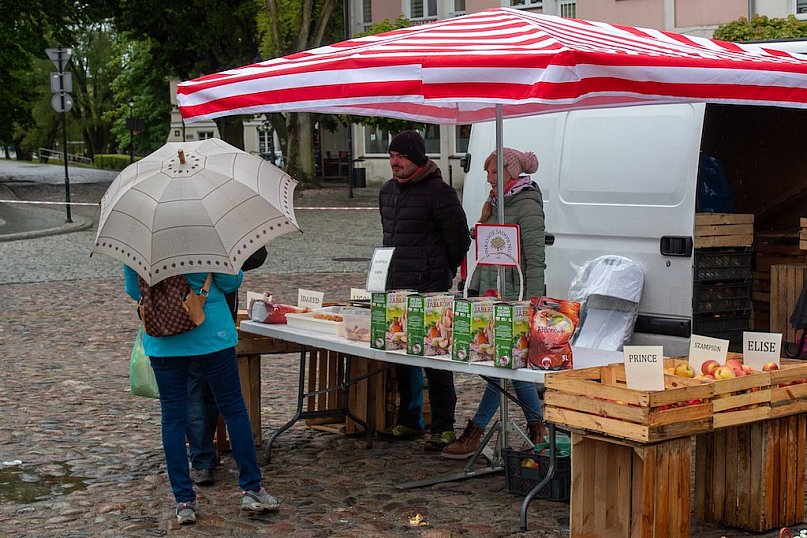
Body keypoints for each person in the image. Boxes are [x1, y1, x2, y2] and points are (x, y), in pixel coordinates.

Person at [125, 267, 279, 525]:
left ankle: (184, 502)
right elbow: (230, 283)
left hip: (163, 337)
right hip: (212, 331)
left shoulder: (141, 247)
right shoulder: (207, 243)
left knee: (173, 418)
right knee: (233, 409)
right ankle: (252, 488)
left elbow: (133, 290)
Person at [442, 147, 548, 459]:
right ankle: (536, 426)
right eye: (487, 172)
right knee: (505, 364)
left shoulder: (527, 204)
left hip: (516, 296)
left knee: (503, 365)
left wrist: (533, 302)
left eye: (494, 173)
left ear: (511, 174)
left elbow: (535, 258)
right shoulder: (496, 201)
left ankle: (475, 431)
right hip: (492, 293)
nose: (488, 178)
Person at [377, 130, 471, 451]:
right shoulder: (387, 191)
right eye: (391, 156)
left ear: (417, 158)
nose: (394, 162)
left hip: (431, 287)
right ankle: (409, 419)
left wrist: (441, 271)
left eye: (401, 156)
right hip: (397, 286)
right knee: (402, 355)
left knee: (436, 357)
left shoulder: (440, 193)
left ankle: (443, 427)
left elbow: (459, 239)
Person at [186, 246, 268, 487]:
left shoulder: (154, 237)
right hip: (215, 327)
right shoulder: (211, 234)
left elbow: (134, 288)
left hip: (173, 327)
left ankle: (201, 461)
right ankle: (243, 478)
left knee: (191, 395)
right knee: (225, 401)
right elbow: (230, 280)